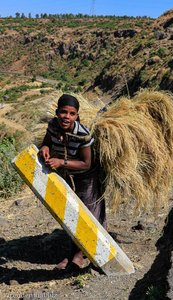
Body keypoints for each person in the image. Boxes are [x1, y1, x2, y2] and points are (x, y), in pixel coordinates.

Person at [39, 94, 106, 272]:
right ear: (57, 112)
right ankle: (73, 254)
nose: (66, 117)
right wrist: (45, 149)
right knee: (70, 214)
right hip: (67, 176)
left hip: (86, 177)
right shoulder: (53, 126)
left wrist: (61, 162)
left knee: (88, 215)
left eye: (71, 113)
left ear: (77, 116)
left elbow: (86, 163)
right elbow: (46, 143)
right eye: (63, 112)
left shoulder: (82, 134)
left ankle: (80, 256)